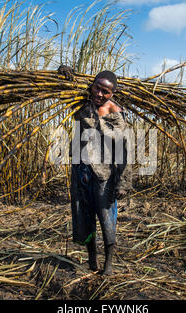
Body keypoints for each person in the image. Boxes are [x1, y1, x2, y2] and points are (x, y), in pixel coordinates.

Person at [58, 65, 132, 275]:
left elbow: (124, 152)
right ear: (92, 86)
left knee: (107, 218)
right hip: (81, 172)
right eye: (97, 88)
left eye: (105, 91)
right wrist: (63, 72)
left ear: (112, 94)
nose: (99, 94)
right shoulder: (84, 103)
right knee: (84, 216)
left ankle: (108, 264)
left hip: (104, 176)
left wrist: (123, 183)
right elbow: (63, 89)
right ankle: (92, 260)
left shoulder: (116, 115)